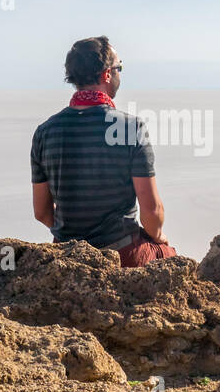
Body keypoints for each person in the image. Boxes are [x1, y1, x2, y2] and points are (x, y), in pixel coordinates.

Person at [30, 36, 177, 267]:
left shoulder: (45, 132)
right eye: (120, 67)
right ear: (106, 74)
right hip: (121, 253)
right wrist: (159, 238)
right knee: (170, 260)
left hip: (66, 256)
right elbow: (151, 211)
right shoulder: (130, 128)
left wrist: (75, 237)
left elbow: (41, 212)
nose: (121, 73)